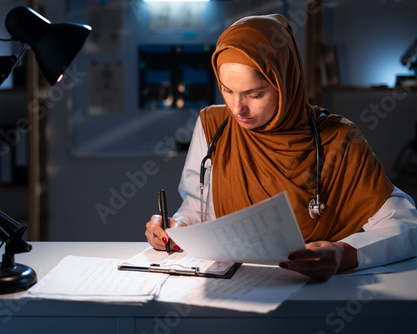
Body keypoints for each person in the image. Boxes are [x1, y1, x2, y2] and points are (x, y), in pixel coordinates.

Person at [144, 14, 417, 280]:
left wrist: (344, 254)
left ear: (285, 82)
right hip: (233, 289)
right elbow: (197, 208)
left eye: (255, 94)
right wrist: (176, 227)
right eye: (227, 90)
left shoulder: (339, 138)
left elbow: (406, 226)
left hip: (318, 294)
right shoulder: (213, 126)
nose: (238, 109)